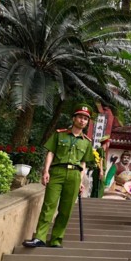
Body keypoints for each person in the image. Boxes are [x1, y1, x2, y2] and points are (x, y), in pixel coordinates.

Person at [23, 104, 95, 248]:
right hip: (57, 172)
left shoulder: (87, 142)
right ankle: (40, 238)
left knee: (66, 209)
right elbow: (51, 153)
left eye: (86, 119)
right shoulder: (59, 134)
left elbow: (83, 163)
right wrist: (46, 171)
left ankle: (56, 239)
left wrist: (81, 181)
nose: (82, 121)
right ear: (74, 118)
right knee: (49, 205)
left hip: (74, 175)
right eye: (80, 117)